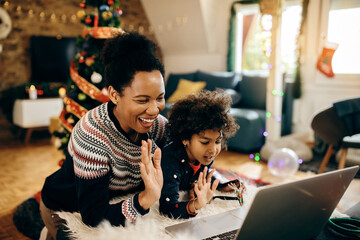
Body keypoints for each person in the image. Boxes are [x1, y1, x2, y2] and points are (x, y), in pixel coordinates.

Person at [40, 32, 168, 239]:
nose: (155, 110)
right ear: (115, 95)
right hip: (67, 208)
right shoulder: (92, 135)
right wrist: (145, 199)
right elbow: (93, 215)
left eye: (160, 98)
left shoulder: (159, 126)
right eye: (143, 100)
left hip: (117, 199)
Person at [159, 90, 240, 219]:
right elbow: (167, 208)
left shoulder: (203, 156)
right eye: (205, 142)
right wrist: (195, 205)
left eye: (217, 141)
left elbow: (203, 175)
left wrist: (222, 186)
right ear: (185, 139)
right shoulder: (171, 160)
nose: (213, 150)